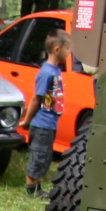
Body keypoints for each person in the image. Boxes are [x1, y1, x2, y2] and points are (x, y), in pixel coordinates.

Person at [19, 32, 67, 199]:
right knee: (38, 155)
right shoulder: (46, 73)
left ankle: (37, 188)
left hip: (50, 123)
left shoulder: (56, 70)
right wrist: (27, 120)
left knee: (44, 156)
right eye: (68, 48)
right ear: (57, 49)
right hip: (41, 123)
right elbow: (35, 98)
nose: (70, 52)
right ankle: (31, 191)